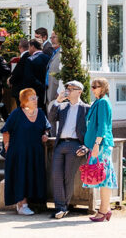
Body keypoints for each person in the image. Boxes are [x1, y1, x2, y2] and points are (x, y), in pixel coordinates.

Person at [0, 87, 51, 215]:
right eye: (32, 98)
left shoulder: (40, 113)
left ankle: (33, 203)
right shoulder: (17, 113)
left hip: (35, 152)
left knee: (32, 177)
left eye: (36, 98)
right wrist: (7, 146)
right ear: (25, 101)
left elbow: (46, 128)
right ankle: (22, 204)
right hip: (19, 152)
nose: (35, 100)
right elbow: (6, 130)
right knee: (21, 176)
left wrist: (45, 134)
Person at [47, 80, 90, 218]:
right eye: (67, 88)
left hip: (75, 145)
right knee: (56, 175)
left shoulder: (86, 108)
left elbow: (91, 130)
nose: (68, 91)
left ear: (79, 91)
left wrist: (87, 147)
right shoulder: (62, 107)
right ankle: (60, 207)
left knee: (68, 176)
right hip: (60, 144)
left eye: (71, 88)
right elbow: (51, 118)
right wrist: (57, 101)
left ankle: (63, 207)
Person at [84, 77, 117, 222]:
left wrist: (97, 144)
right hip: (97, 143)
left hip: (102, 144)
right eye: (91, 86)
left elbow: (103, 125)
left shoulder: (103, 102)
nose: (92, 89)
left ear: (103, 88)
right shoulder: (98, 102)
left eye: (95, 87)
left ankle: (103, 210)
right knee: (102, 176)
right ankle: (105, 209)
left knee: (103, 177)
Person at [27, 40, 49, 105]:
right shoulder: (49, 58)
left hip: (34, 92)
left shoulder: (30, 60)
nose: (28, 49)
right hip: (47, 91)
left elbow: (29, 78)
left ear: (32, 47)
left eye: (29, 47)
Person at [45, 33, 62, 104]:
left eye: (54, 37)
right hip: (48, 91)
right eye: (51, 38)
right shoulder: (54, 53)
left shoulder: (62, 53)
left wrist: (59, 91)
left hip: (56, 93)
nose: (52, 40)